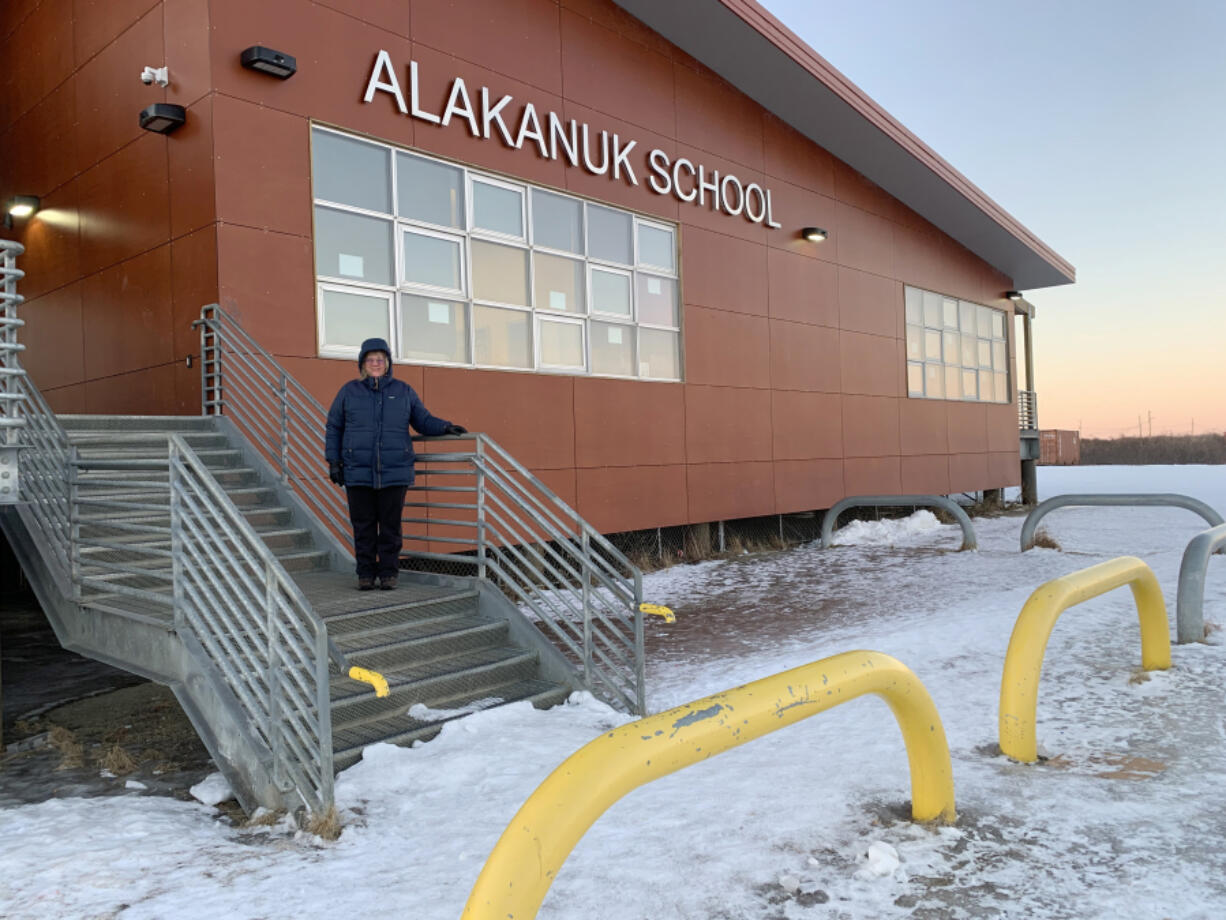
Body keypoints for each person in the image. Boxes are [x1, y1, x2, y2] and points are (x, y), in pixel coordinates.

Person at [325, 338, 466, 590]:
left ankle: (389, 573)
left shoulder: (403, 391)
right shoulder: (349, 391)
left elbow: (422, 420)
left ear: (387, 363)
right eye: (370, 360)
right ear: (362, 364)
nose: (375, 364)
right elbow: (334, 426)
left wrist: (444, 426)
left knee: (390, 527)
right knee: (364, 526)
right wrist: (334, 461)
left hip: (395, 471)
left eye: (380, 359)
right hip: (358, 471)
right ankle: (366, 574)